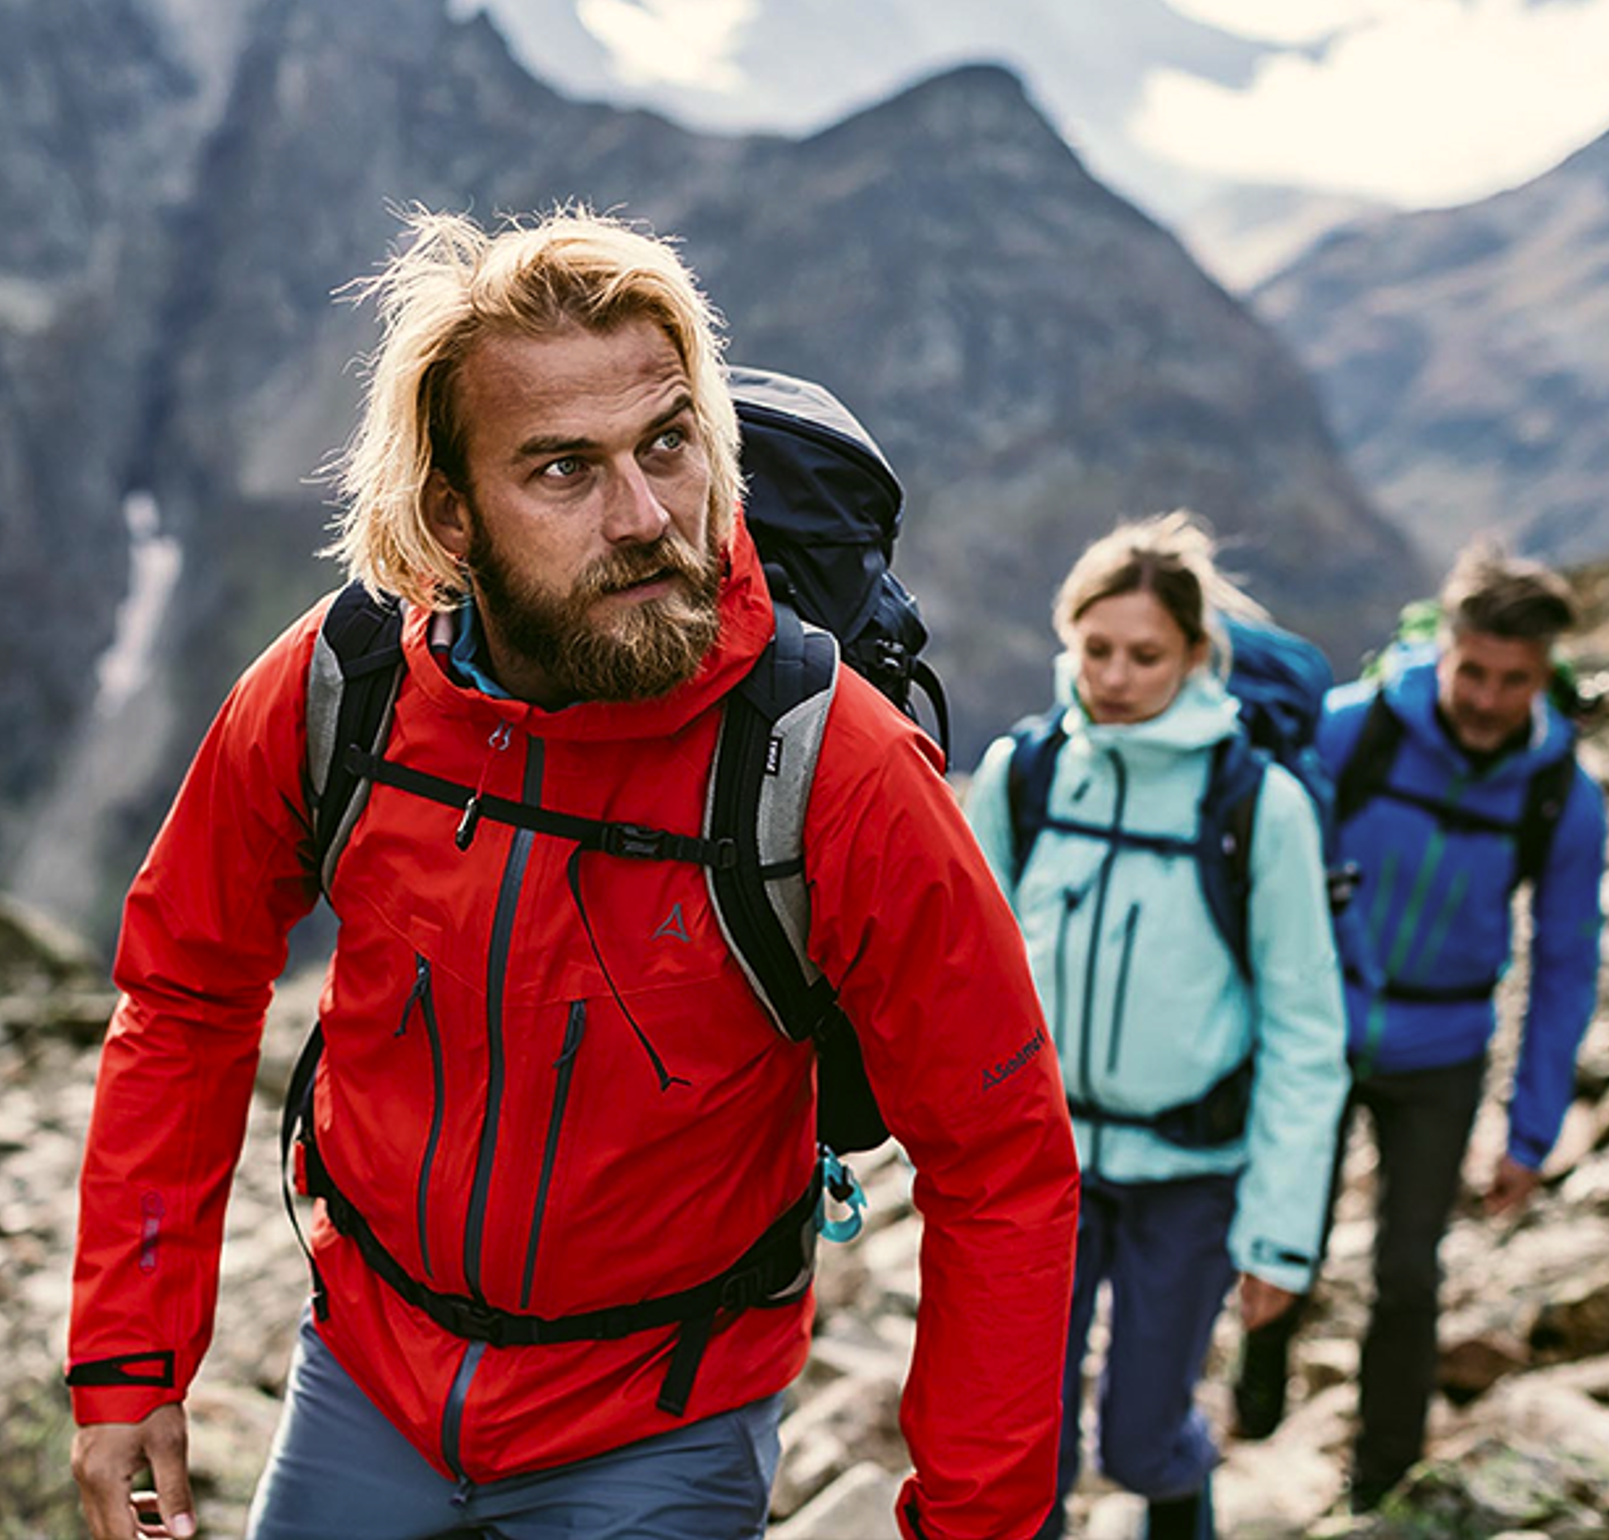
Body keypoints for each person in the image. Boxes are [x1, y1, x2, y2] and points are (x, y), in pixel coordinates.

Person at [64, 208, 1079, 1540]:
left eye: (669, 442)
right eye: (561, 471)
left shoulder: (834, 770)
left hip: (660, 1433)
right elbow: (187, 987)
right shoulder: (344, 688)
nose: (648, 514)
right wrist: (130, 1358)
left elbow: (1001, 1160)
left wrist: (975, 1523)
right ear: (449, 514)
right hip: (367, 1381)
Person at [964, 514, 1348, 1540]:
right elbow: (963, 975)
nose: (1116, 676)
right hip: (1043, 1165)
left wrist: (1280, 1231)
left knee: (1138, 1437)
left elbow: (1308, 1028)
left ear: (1195, 656)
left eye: (1146, 654)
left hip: (1191, 1170)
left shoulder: (1253, 803)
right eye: (1097, 649)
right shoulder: (1024, 775)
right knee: (1019, 1436)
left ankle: (1180, 1497)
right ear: (1066, 639)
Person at [1231, 541, 1607, 1509]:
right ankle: (1258, 1407)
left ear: (1546, 674)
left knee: (1408, 1270)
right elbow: (1258, 867)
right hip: (1317, 1030)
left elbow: (1565, 960)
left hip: (1443, 1050)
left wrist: (1532, 1129)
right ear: (1442, 645)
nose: (1485, 698)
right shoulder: (1355, 731)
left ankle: (1383, 1481)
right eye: (1471, 669)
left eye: (1513, 681)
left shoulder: (1561, 792)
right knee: (1286, 1236)